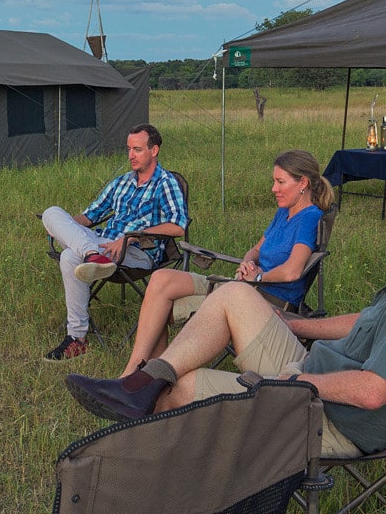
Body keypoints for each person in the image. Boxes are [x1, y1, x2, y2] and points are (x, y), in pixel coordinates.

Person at [66, 171, 386, 458]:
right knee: (236, 294)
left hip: (328, 415)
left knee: (182, 390)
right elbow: (367, 321)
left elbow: (374, 392)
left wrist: (298, 381)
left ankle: (141, 459)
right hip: (317, 380)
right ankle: (142, 382)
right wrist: (295, 324)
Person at [117, 149, 333, 377]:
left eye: (280, 182)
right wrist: (248, 263)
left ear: (303, 183)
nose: (273, 189)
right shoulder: (284, 212)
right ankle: (140, 370)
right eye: (274, 181)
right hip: (245, 286)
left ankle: (143, 375)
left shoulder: (309, 217)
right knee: (161, 278)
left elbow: (292, 271)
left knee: (163, 307)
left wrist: (259, 277)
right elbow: (256, 250)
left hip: (264, 301)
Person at [41, 123, 188, 361]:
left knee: (69, 256)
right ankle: (92, 256)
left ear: (154, 150)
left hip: (138, 252)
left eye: (137, 149)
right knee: (52, 213)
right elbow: (89, 216)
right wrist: (62, 226)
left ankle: (77, 337)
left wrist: (131, 237)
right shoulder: (122, 182)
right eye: (129, 149)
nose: (131, 155)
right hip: (102, 245)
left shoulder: (166, 183)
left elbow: (178, 226)